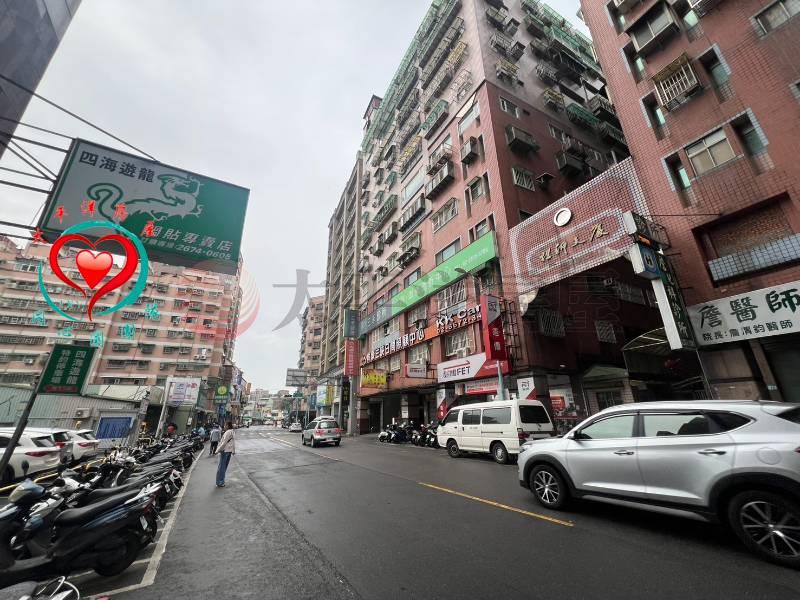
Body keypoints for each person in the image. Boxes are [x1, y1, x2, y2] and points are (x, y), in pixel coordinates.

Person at [215, 421, 235, 488]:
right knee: (224, 467)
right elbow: (233, 442)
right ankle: (221, 481)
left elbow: (224, 443)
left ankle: (220, 482)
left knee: (221, 467)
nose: (224, 426)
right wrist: (233, 450)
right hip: (229, 451)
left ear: (227, 426)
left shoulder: (227, 432)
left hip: (225, 451)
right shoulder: (232, 432)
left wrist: (217, 450)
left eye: (225, 425)